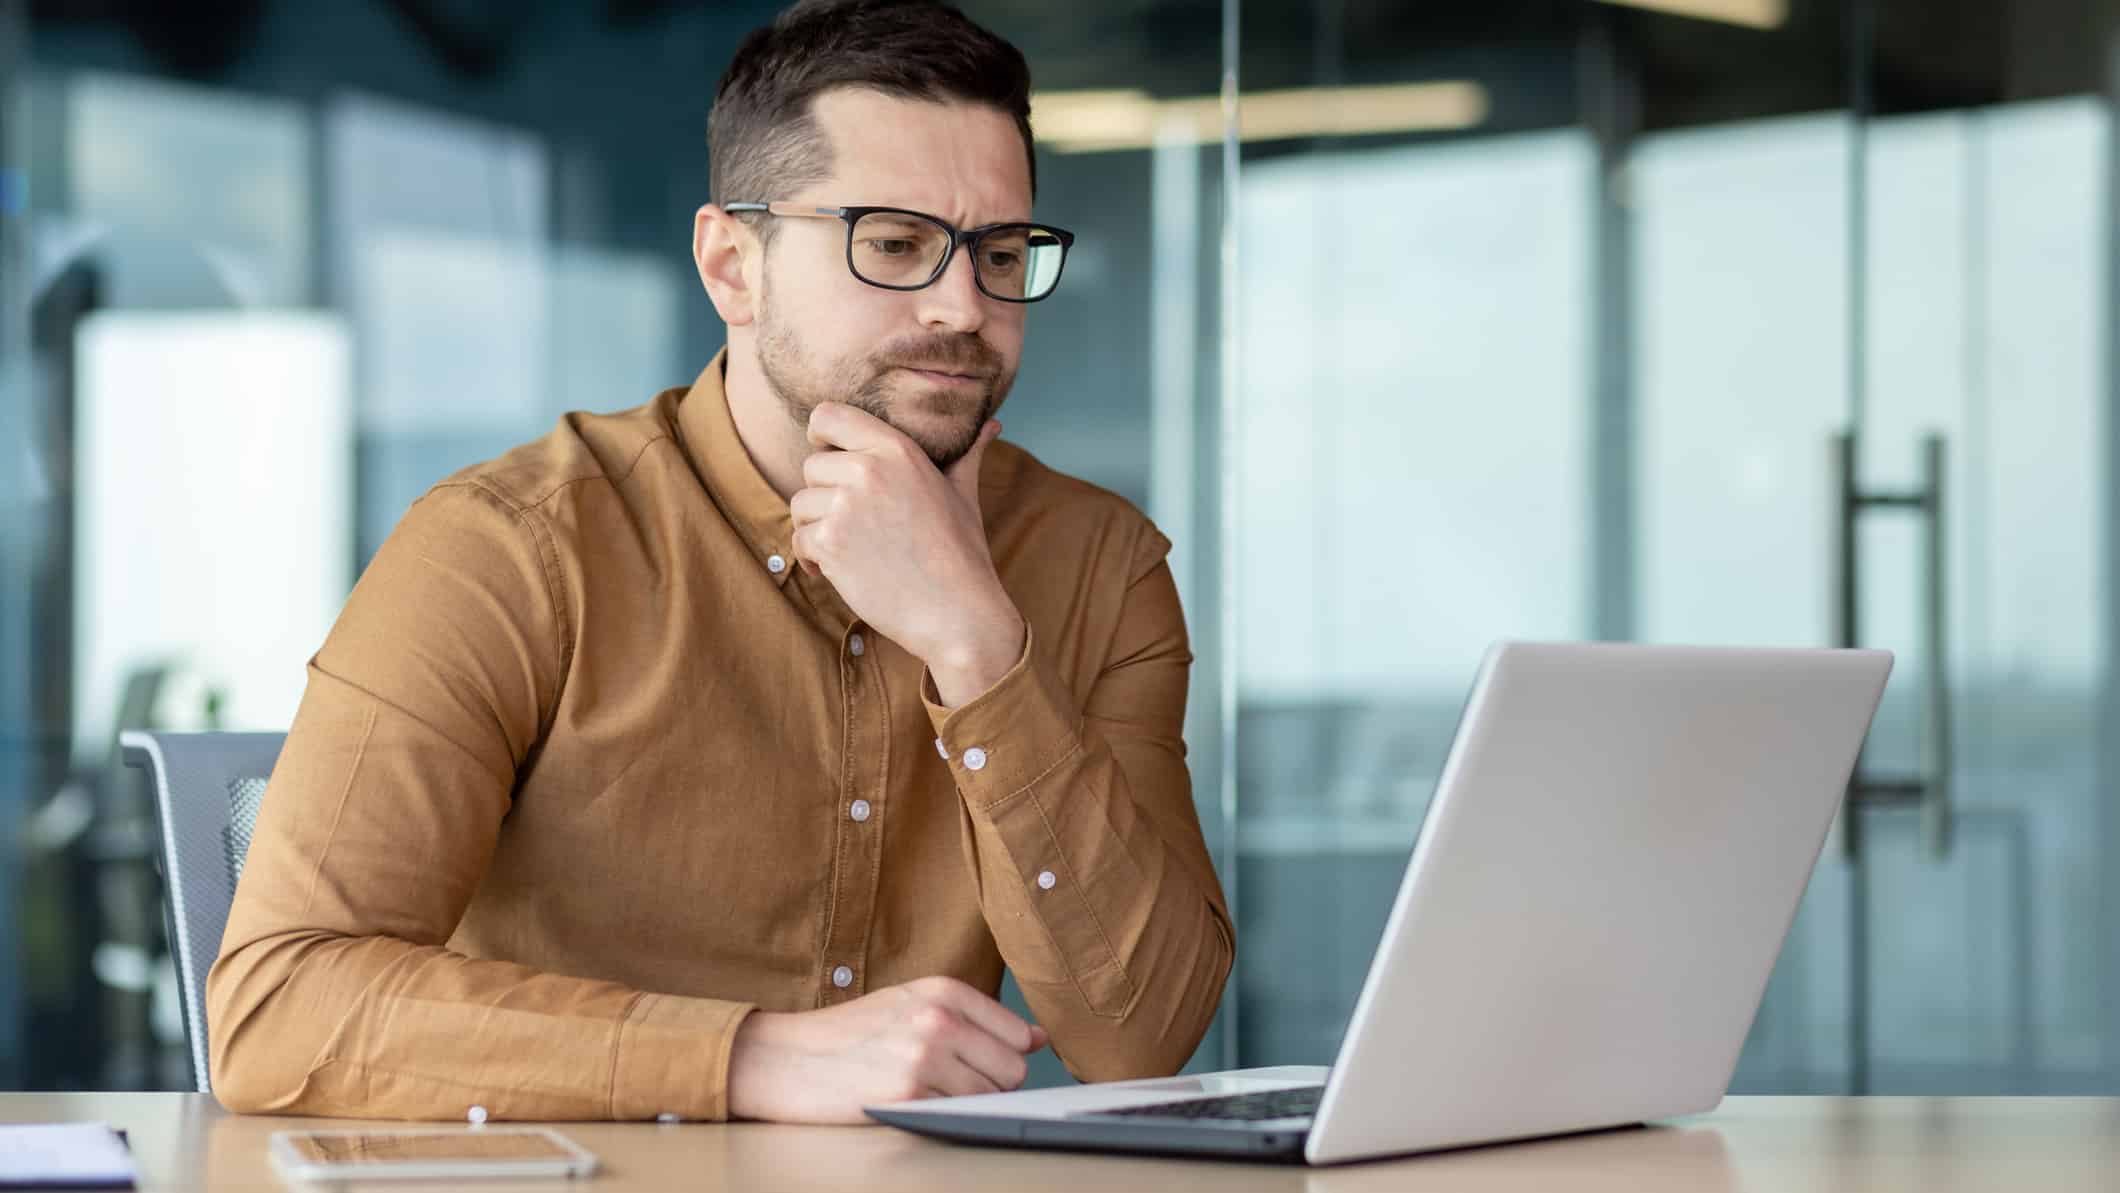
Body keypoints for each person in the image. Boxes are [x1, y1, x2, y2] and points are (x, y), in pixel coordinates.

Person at [206, 0, 1232, 1125]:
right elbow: (276, 1007)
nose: (962, 306)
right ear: (731, 265)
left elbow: (1138, 1036)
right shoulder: (510, 543)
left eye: (998, 252)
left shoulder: (1100, 564)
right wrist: (753, 1058)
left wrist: (975, 644)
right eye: (891, 243)